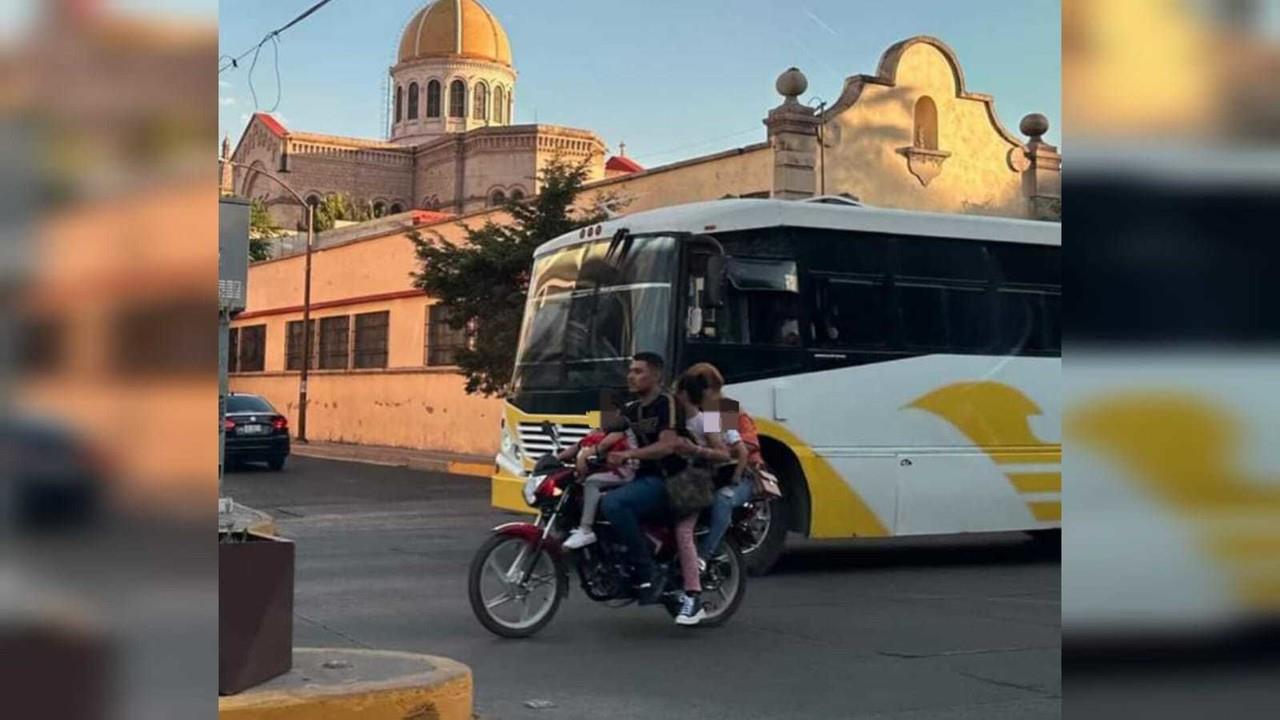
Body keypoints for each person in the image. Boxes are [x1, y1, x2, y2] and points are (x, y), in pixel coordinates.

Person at [599, 352, 686, 605]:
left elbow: (668, 445)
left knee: (614, 503)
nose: (631, 376)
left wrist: (629, 454)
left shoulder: (666, 403)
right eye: (630, 370)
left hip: (669, 480)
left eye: (639, 371)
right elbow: (608, 434)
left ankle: (647, 569)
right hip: (644, 478)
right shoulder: (633, 408)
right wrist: (581, 453)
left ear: (656, 375)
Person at [671, 369, 742, 625]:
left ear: (683, 395)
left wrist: (695, 450)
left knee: (683, 530)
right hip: (677, 480)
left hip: (699, 482)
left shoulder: (709, 419)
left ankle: (693, 596)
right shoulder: (673, 421)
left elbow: (725, 454)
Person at [681, 363, 768, 563]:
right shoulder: (693, 412)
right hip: (708, 473)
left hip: (740, 475)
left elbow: (744, 446)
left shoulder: (724, 408)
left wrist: (715, 452)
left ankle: (705, 555)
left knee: (723, 500)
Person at [560, 416, 637, 550]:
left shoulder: (621, 425)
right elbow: (581, 443)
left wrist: (584, 456)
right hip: (612, 468)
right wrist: (555, 459)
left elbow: (603, 445)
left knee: (591, 482)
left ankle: (586, 529)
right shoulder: (604, 428)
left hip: (626, 469)